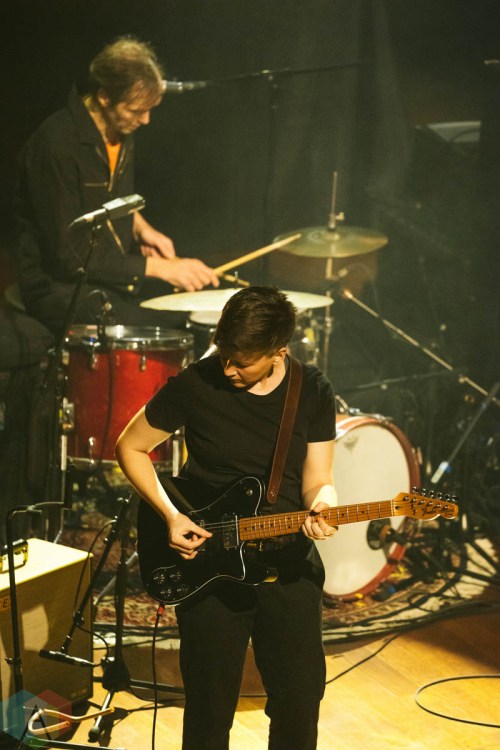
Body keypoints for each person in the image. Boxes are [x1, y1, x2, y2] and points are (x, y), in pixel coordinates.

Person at [115, 286, 338, 750]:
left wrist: (324, 503)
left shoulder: (311, 389)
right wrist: (171, 516)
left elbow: (319, 480)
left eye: (243, 362)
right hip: (210, 563)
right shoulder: (197, 383)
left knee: (299, 704)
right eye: (225, 355)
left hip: (288, 561)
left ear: (279, 351)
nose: (229, 369)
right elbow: (130, 446)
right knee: (209, 708)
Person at [12, 35, 219, 338]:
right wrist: (158, 268)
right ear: (104, 97)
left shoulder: (120, 132)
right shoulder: (56, 146)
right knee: (169, 326)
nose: (145, 120)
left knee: (191, 308)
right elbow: (68, 256)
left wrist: (141, 228)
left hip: (106, 279)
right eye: (136, 111)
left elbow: (108, 198)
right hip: (58, 287)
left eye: (149, 109)